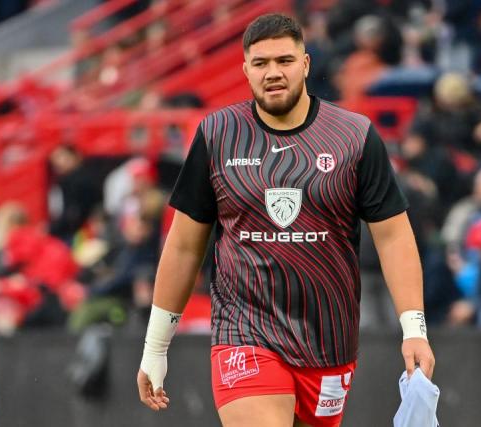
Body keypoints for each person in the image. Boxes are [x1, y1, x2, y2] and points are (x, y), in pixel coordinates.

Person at [136, 13, 434, 427]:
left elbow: (393, 237)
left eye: (284, 61)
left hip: (328, 342)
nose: (273, 73)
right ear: (245, 70)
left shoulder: (354, 136)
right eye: (260, 64)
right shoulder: (217, 135)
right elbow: (185, 245)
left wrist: (414, 328)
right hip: (244, 331)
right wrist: (155, 346)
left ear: (306, 65)